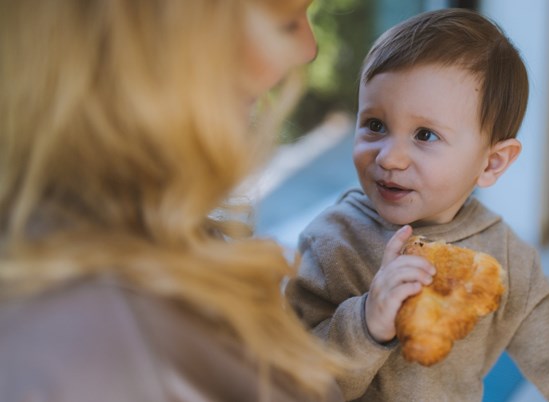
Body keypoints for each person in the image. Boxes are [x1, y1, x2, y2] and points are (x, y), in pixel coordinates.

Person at [0, 0, 346, 401]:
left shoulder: (151, 233)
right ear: (155, 41)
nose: (308, 49)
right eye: (286, 23)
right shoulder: (96, 344)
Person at [286, 8, 549, 401]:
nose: (389, 158)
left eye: (425, 134)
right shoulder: (331, 243)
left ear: (491, 162)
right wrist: (365, 323)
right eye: (375, 125)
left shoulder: (506, 260)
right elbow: (293, 382)